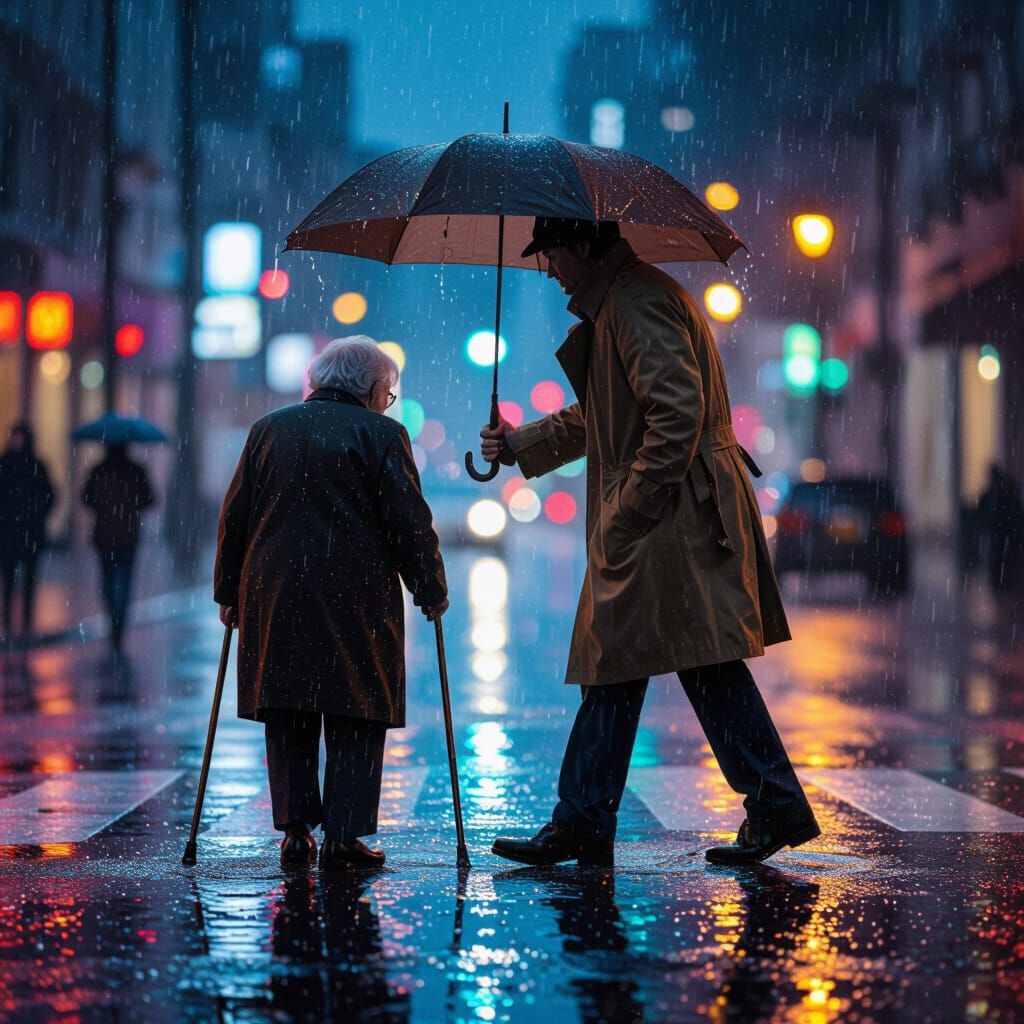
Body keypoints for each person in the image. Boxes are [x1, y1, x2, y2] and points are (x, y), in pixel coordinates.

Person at [480, 218, 818, 866]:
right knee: (657, 663)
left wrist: (628, 511)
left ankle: (588, 817)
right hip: (675, 514)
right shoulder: (623, 302)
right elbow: (609, 412)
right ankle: (603, 814)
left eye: (549, 254)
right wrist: (522, 442)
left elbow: (675, 414)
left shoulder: (635, 303)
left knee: (648, 661)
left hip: (673, 518)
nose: (547, 270)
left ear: (580, 246)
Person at [215, 336, 448, 871]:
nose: (385, 403)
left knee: (289, 706)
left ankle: (297, 833)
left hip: (274, 590)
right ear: (369, 389)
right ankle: (344, 839)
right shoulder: (382, 434)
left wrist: (229, 591)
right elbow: (409, 523)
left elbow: (236, 518)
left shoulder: (268, 429)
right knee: (357, 710)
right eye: (386, 394)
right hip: (355, 593)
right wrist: (429, 589)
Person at [82, 444, 155, 654]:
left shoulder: (98, 470)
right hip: (128, 536)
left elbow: (86, 498)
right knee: (123, 580)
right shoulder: (136, 471)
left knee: (107, 580)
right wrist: (131, 506)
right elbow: (150, 499)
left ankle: (113, 617)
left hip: (104, 536)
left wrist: (103, 506)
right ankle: (118, 624)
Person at [0, 422, 54, 641]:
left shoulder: (32, 465)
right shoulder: (9, 464)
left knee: (25, 577)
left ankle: (23, 622)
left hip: (24, 531)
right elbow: (49, 496)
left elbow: (49, 495)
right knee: (11, 577)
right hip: (14, 531)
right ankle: (10, 621)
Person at [976, 464, 1024, 593]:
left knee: (1000, 558)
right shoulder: (998, 494)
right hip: (1000, 533)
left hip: (1002, 533)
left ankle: (1001, 583)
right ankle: (1000, 583)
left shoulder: (1001, 494)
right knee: (999, 558)